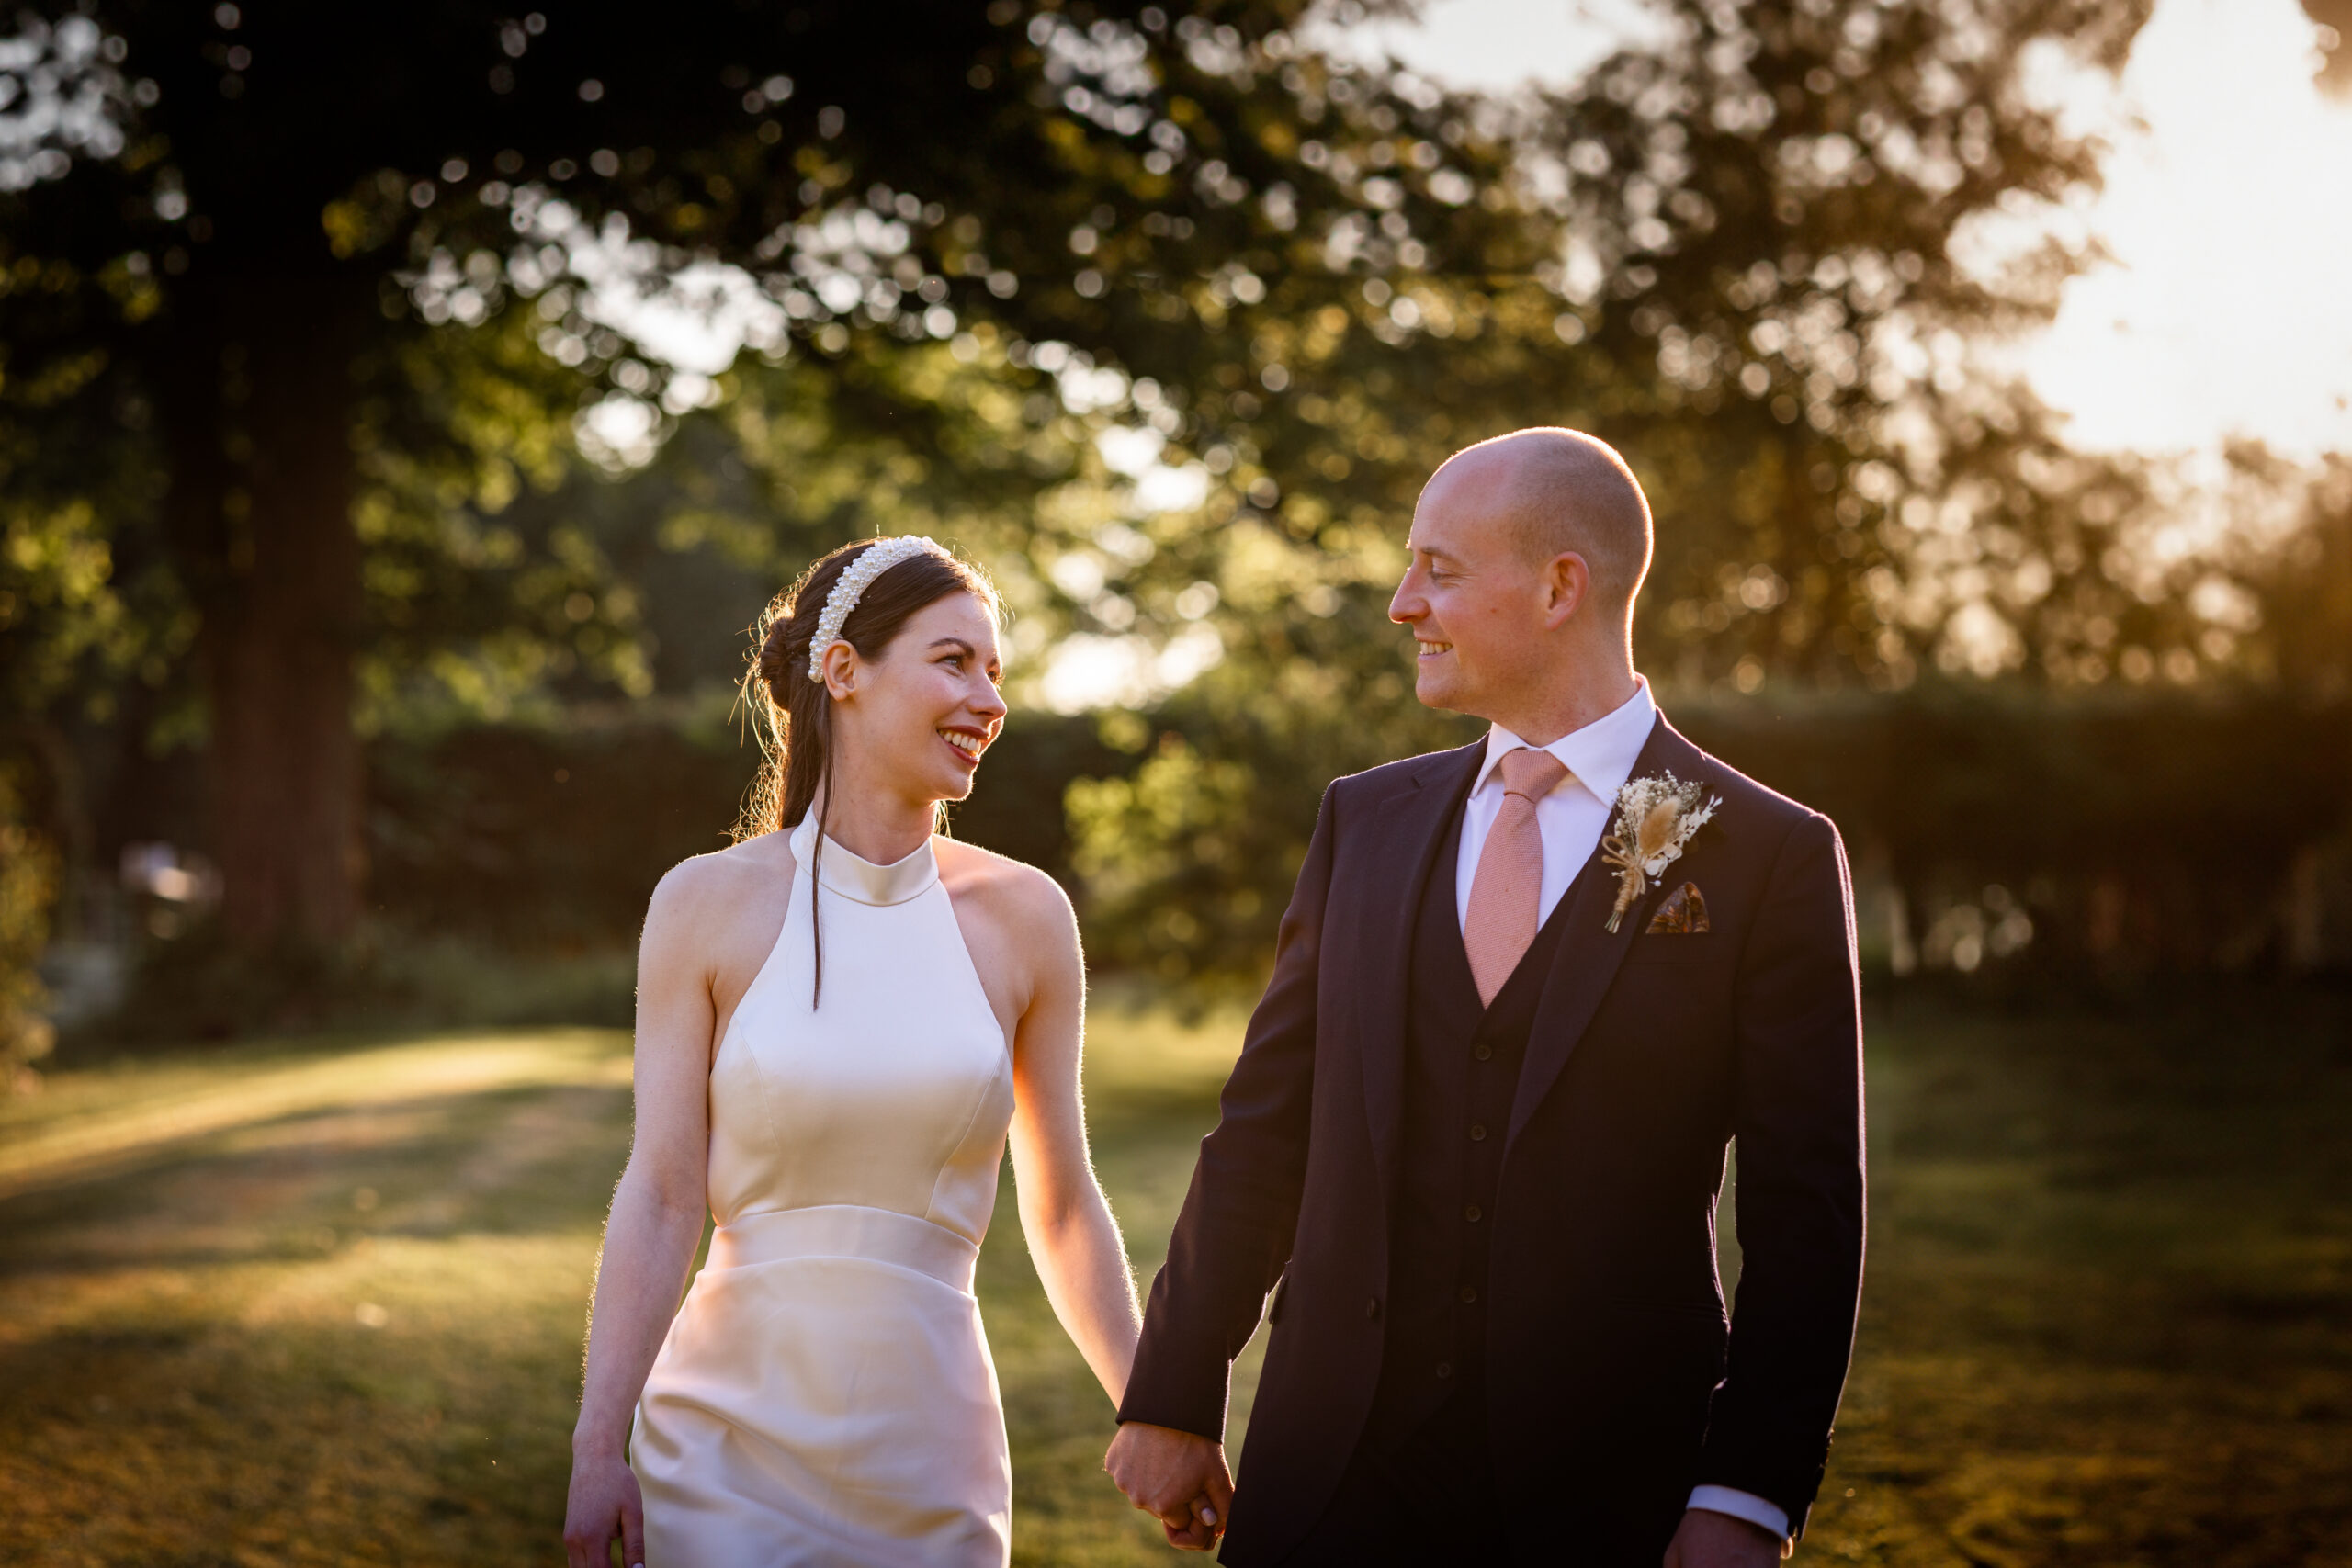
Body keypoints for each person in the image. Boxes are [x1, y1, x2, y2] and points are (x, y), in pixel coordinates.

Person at [1104, 429, 1866, 1566]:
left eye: (1439, 569)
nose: (1405, 603)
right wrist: (1171, 1387)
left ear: (1562, 585)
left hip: (1607, 1491)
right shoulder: (1364, 822)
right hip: (1327, 1479)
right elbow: (1267, 1126)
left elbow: (1806, 1218)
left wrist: (1746, 1493)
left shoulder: (1760, 851)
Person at [562, 537, 1143, 1568]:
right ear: (843, 673)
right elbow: (660, 1193)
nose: (988, 700)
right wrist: (597, 1445)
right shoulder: (703, 904)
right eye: (954, 661)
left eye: (995, 672)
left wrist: (1155, 1412)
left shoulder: (1027, 918)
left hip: (933, 1451)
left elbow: (1060, 1204)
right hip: (723, 1444)